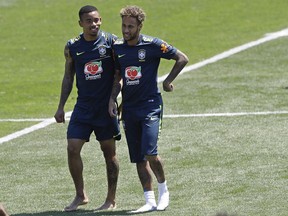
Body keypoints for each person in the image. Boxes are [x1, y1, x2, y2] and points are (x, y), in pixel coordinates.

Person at [108, 5, 189, 213]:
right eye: (124, 25)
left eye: (130, 26)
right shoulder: (118, 48)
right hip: (129, 110)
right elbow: (118, 76)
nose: (126, 30)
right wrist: (112, 99)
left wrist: (167, 82)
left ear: (140, 26)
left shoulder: (153, 45)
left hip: (151, 107)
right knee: (138, 157)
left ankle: (164, 192)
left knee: (151, 152)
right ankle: (149, 200)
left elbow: (182, 58)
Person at [54, 5, 121, 212]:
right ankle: (80, 195)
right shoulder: (72, 46)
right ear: (81, 23)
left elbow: (120, 74)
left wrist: (114, 99)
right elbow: (68, 76)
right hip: (82, 107)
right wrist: (61, 107)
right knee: (73, 148)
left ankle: (111, 199)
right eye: (90, 21)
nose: (94, 24)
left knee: (108, 152)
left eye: (97, 20)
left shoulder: (111, 42)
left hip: (105, 109)